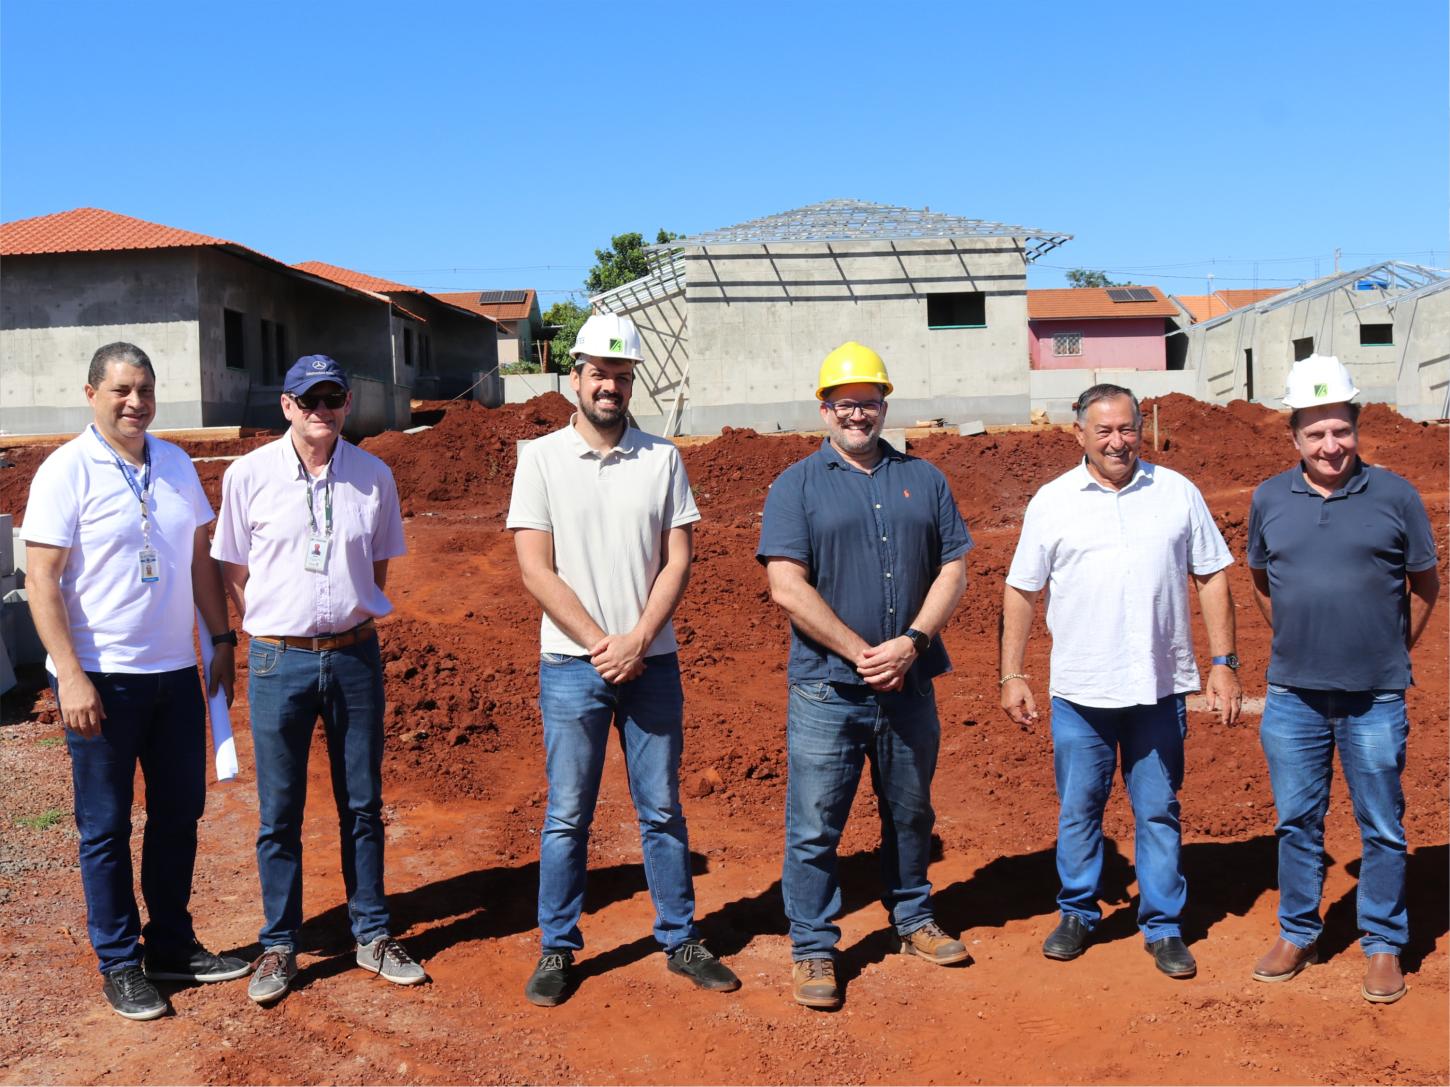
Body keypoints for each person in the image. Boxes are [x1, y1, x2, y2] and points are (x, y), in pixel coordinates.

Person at [507, 312, 740, 1007]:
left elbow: (678, 559)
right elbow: (535, 567)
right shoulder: (539, 458)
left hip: (652, 663)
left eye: (621, 375)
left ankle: (681, 937)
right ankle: (557, 946)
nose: (609, 386)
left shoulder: (663, 459)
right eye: (598, 374)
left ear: (632, 382)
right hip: (571, 666)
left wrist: (638, 638)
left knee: (662, 809)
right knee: (567, 813)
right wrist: (601, 643)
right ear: (575, 377)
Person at [21, 342, 247, 1020]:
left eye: (145, 389)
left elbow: (201, 561)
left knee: (179, 815)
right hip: (103, 680)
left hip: (174, 674)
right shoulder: (66, 470)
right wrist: (70, 675)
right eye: (121, 389)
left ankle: (171, 944)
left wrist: (222, 639)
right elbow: (41, 580)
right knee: (105, 827)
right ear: (91, 393)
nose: (136, 402)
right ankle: (120, 962)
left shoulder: (175, 464)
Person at [999, 382, 1241, 980]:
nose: (1117, 441)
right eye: (1103, 430)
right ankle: (1078, 912)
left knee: (1157, 810)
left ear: (1142, 429)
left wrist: (1223, 662)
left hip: (1158, 688)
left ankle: (1163, 926)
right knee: (1080, 808)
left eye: (1127, 428)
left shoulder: (1177, 492)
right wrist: (1012, 672)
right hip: (1081, 692)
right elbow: (1022, 589)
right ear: (1078, 432)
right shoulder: (1053, 501)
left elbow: (1211, 575)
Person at [757, 341, 972, 1010]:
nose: (859, 413)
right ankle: (813, 946)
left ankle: (914, 919)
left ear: (885, 405)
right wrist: (861, 652)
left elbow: (954, 569)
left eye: (869, 402)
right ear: (825, 409)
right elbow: (786, 585)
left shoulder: (925, 479)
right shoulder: (795, 486)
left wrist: (911, 643)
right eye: (845, 403)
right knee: (815, 826)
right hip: (827, 688)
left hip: (909, 683)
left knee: (911, 812)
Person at [212, 354, 424, 1005]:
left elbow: (378, 569)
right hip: (279, 661)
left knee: (362, 803)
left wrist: (342, 618)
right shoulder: (248, 476)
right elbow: (233, 571)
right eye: (309, 400)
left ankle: (372, 933)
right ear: (287, 405)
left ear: (347, 404)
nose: (321, 411)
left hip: (355, 657)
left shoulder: (374, 476)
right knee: (280, 811)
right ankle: (280, 944)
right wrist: (276, 626)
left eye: (332, 399)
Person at [1246, 355, 1439, 1005]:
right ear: (1294, 436)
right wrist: (1295, 639)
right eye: (1315, 433)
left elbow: (1425, 584)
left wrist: (1391, 649)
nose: (1331, 446)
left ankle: (1383, 942)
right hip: (1293, 694)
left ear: (1357, 427)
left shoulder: (1396, 495)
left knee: (1381, 823)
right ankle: (1297, 930)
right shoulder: (1269, 498)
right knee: (1297, 821)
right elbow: (1261, 579)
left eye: (1341, 430)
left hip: (1376, 695)